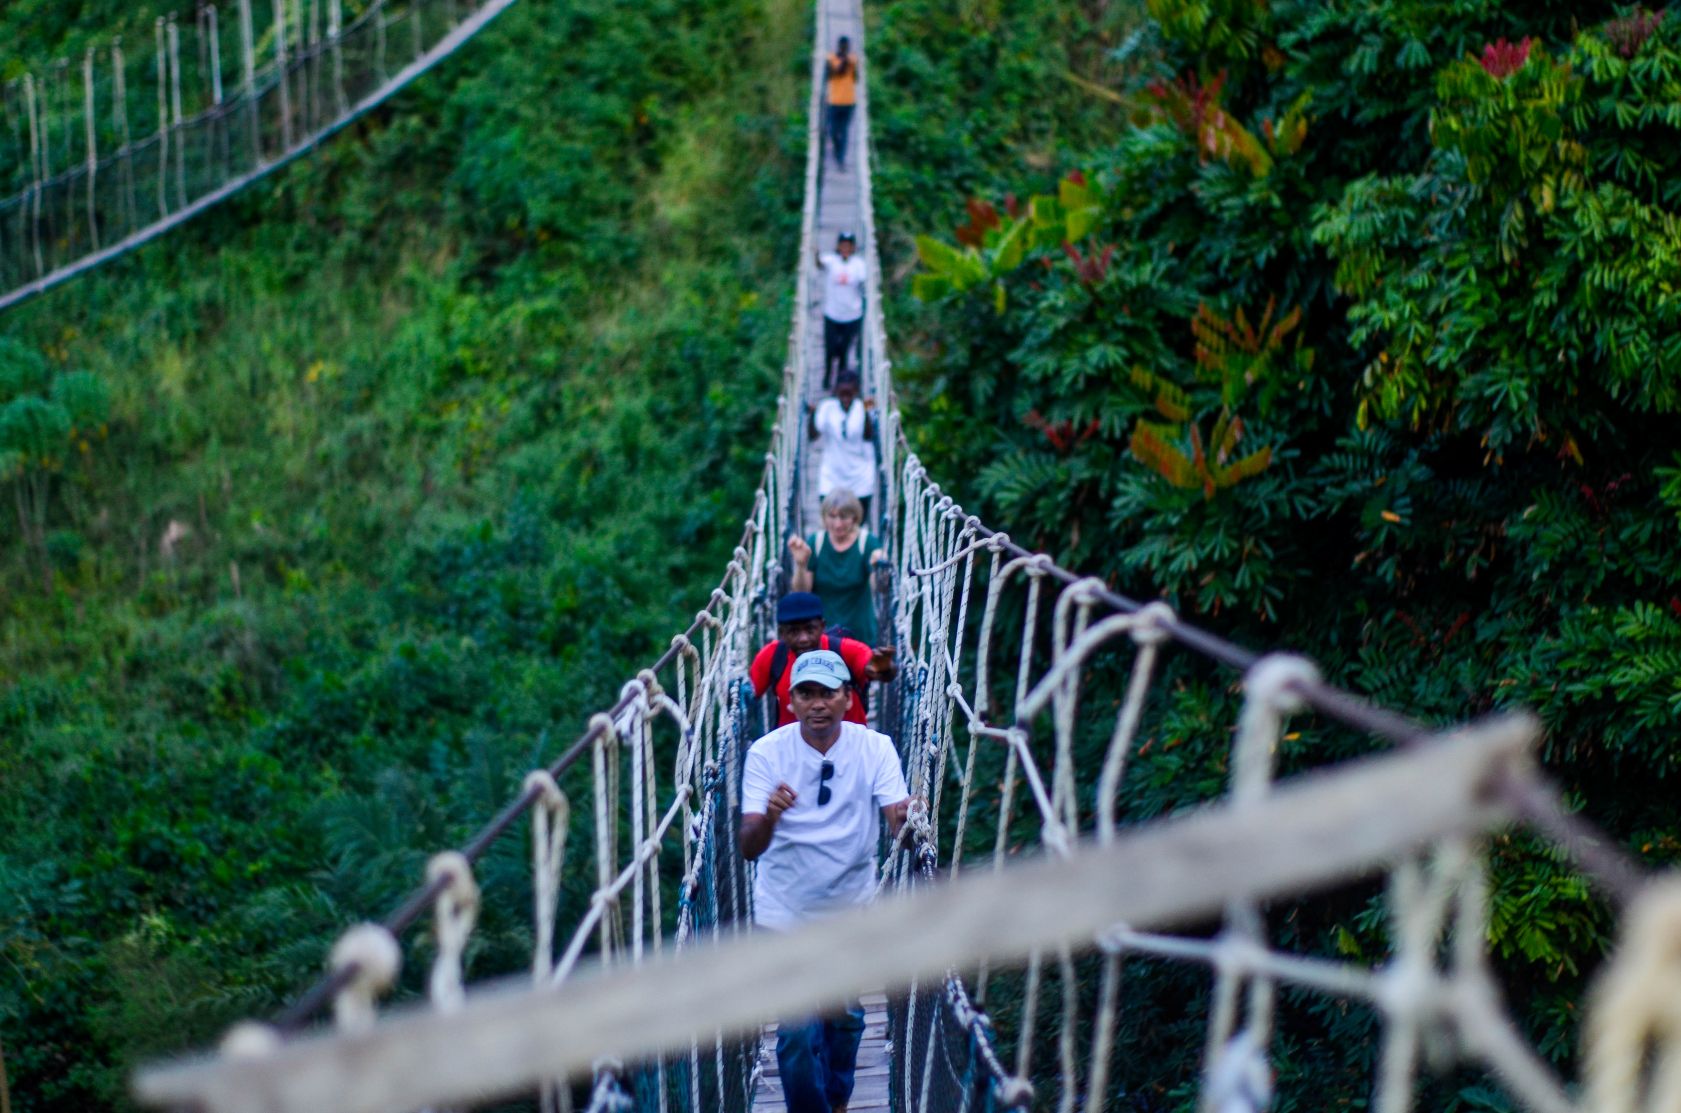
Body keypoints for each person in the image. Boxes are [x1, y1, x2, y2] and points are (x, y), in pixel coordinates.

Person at [740, 649, 910, 1113]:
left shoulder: (875, 747)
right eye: (806, 694)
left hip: (849, 911)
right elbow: (748, 846)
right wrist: (771, 815)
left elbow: (898, 820)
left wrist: (909, 819)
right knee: (795, 1035)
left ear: (847, 697)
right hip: (784, 913)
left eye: (828, 693)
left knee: (846, 1019)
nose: (817, 704)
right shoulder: (766, 753)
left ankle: (837, 1099)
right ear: (790, 700)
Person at [751, 592, 894, 728]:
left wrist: (884, 670)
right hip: (793, 750)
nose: (803, 639)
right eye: (794, 632)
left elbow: (878, 669)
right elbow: (747, 696)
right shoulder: (773, 656)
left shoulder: (847, 650)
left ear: (822, 627)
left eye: (810, 629)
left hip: (849, 749)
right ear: (781, 633)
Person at [788, 489, 886, 646]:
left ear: (855, 517)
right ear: (824, 517)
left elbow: (880, 589)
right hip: (822, 637)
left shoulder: (867, 543)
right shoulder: (816, 543)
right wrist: (800, 565)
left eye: (844, 517)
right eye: (832, 516)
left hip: (860, 637)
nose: (837, 524)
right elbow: (801, 592)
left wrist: (880, 569)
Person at [805, 374, 878, 522]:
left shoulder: (861, 407)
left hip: (860, 475)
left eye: (849, 394)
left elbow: (869, 436)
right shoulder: (827, 407)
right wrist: (812, 414)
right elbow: (813, 436)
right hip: (832, 474)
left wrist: (867, 412)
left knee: (858, 522)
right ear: (836, 392)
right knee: (829, 520)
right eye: (842, 394)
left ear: (856, 392)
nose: (845, 398)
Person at [815, 232, 866, 388]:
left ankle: (840, 382)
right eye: (842, 245)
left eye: (848, 245)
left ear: (853, 247)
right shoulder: (831, 260)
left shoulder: (859, 264)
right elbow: (819, 264)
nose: (845, 248)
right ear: (838, 246)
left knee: (844, 350)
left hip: (852, 316)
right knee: (830, 349)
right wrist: (814, 254)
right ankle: (827, 375)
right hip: (832, 314)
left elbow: (864, 283)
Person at [825, 37, 858, 170]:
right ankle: (837, 153)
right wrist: (845, 59)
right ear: (839, 46)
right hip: (833, 102)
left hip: (849, 102)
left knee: (843, 131)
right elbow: (834, 73)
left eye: (846, 46)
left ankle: (841, 159)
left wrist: (851, 63)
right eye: (843, 46)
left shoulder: (853, 60)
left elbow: (856, 78)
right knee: (833, 131)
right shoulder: (831, 59)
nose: (845, 48)